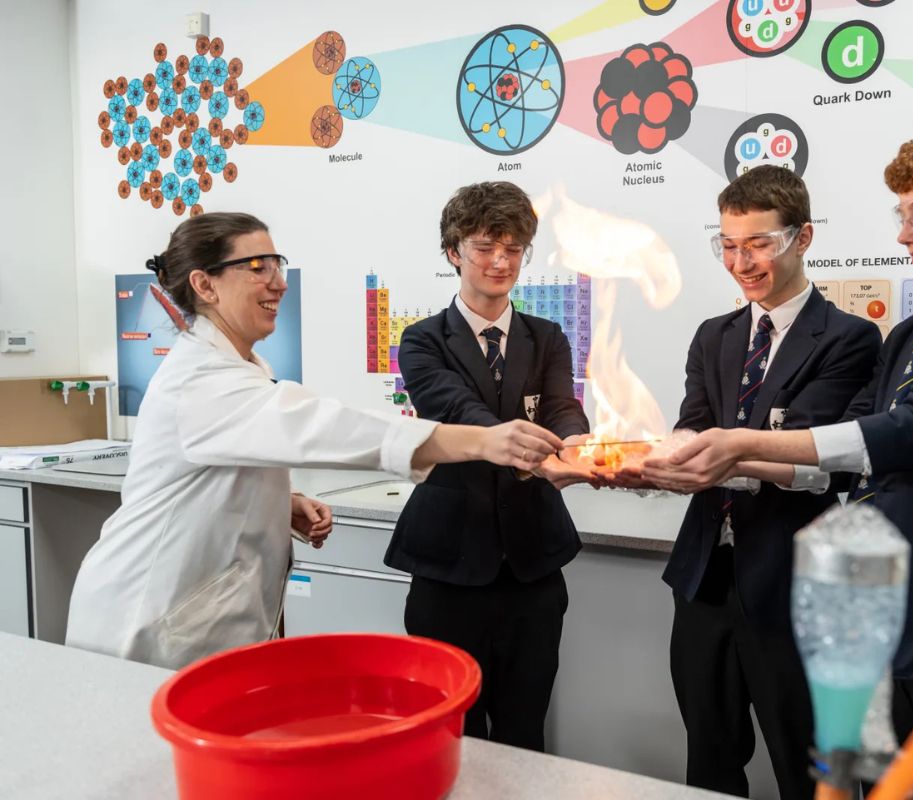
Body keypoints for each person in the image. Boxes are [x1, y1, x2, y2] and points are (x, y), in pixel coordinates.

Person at [645, 124, 913, 791]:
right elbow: (853, 456)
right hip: (893, 628)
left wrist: (741, 444)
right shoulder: (909, 334)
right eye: (902, 215)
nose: (906, 234)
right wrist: (692, 458)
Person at [65, 212, 559, 671]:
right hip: (148, 621)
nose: (279, 282)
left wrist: (276, 501)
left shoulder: (236, 369)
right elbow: (323, 426)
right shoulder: (202, 381)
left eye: (277, 264)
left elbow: (221, 468)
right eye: (257, 267)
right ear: (204, 284)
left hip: (192, 617)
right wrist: (484, 442)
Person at [660, 165, 880, 798]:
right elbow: (692, 427)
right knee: (708, 759)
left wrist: (720, 455)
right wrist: (654, 459)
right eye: (728, 244)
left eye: (759, 243)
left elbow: (817, 458)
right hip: (704, 581)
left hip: (793, 590)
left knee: (806, 768)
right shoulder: (715, 337)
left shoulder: (849, 339)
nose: (741, 261)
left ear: (803, 237)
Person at [383, 182, 592, 752]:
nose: (500, 261)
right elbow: (455, 410)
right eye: (483, 247)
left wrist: (577, 445)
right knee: (452, 732)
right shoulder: (422, 340)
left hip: (533, 567)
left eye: (513, 248)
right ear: (453, 251)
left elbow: (562, 407)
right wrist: (515, 444)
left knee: (525, 729)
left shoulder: (546, 337)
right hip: (451, 566)